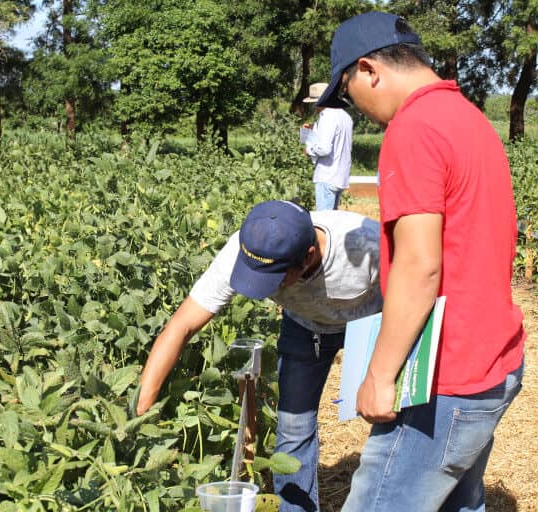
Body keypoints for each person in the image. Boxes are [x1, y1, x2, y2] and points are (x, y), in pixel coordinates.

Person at [313, 11, 526, 512]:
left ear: (369, 70)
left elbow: (419, 266)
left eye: (346, 92)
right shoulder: (467, 117)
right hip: (491, 362)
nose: (356, 108)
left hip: (446, 378)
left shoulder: (414, 129)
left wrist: (380, 376)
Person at [136, 200, 382, 512]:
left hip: (375, 324)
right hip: (307, 328)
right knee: (294, 427)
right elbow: (182, 325)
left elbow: (417, 292)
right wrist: (140, 410)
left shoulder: (368, 246)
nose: (262, 287)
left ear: (307, 257)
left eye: (275, 278)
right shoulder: (247, 249)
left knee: (390, 422)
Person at [301, 82, 353, 210]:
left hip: (327, 175)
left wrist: (308, 150)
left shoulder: (327, 116)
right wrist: (315, 128)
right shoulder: (345, 116)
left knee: (324, 221)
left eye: (315, 102)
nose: (315, 106)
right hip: (340, 175)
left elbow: (324, 148)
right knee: (332, 221)